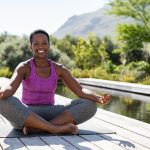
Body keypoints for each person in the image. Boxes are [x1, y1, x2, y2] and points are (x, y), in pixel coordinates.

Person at [0, 29, 111, 135]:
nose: (40, 46)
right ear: (31, 46)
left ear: (49, 45)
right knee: (3, 101)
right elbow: (10, 87)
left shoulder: (59, 69)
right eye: (36, 43)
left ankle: (38, 128)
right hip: (26, 114)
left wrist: (98, 98)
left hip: (51, 113)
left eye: (44, 43)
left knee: (89, 105)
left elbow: (80, 90)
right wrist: (2, 93)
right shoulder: (24, 67)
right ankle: (54, 129)